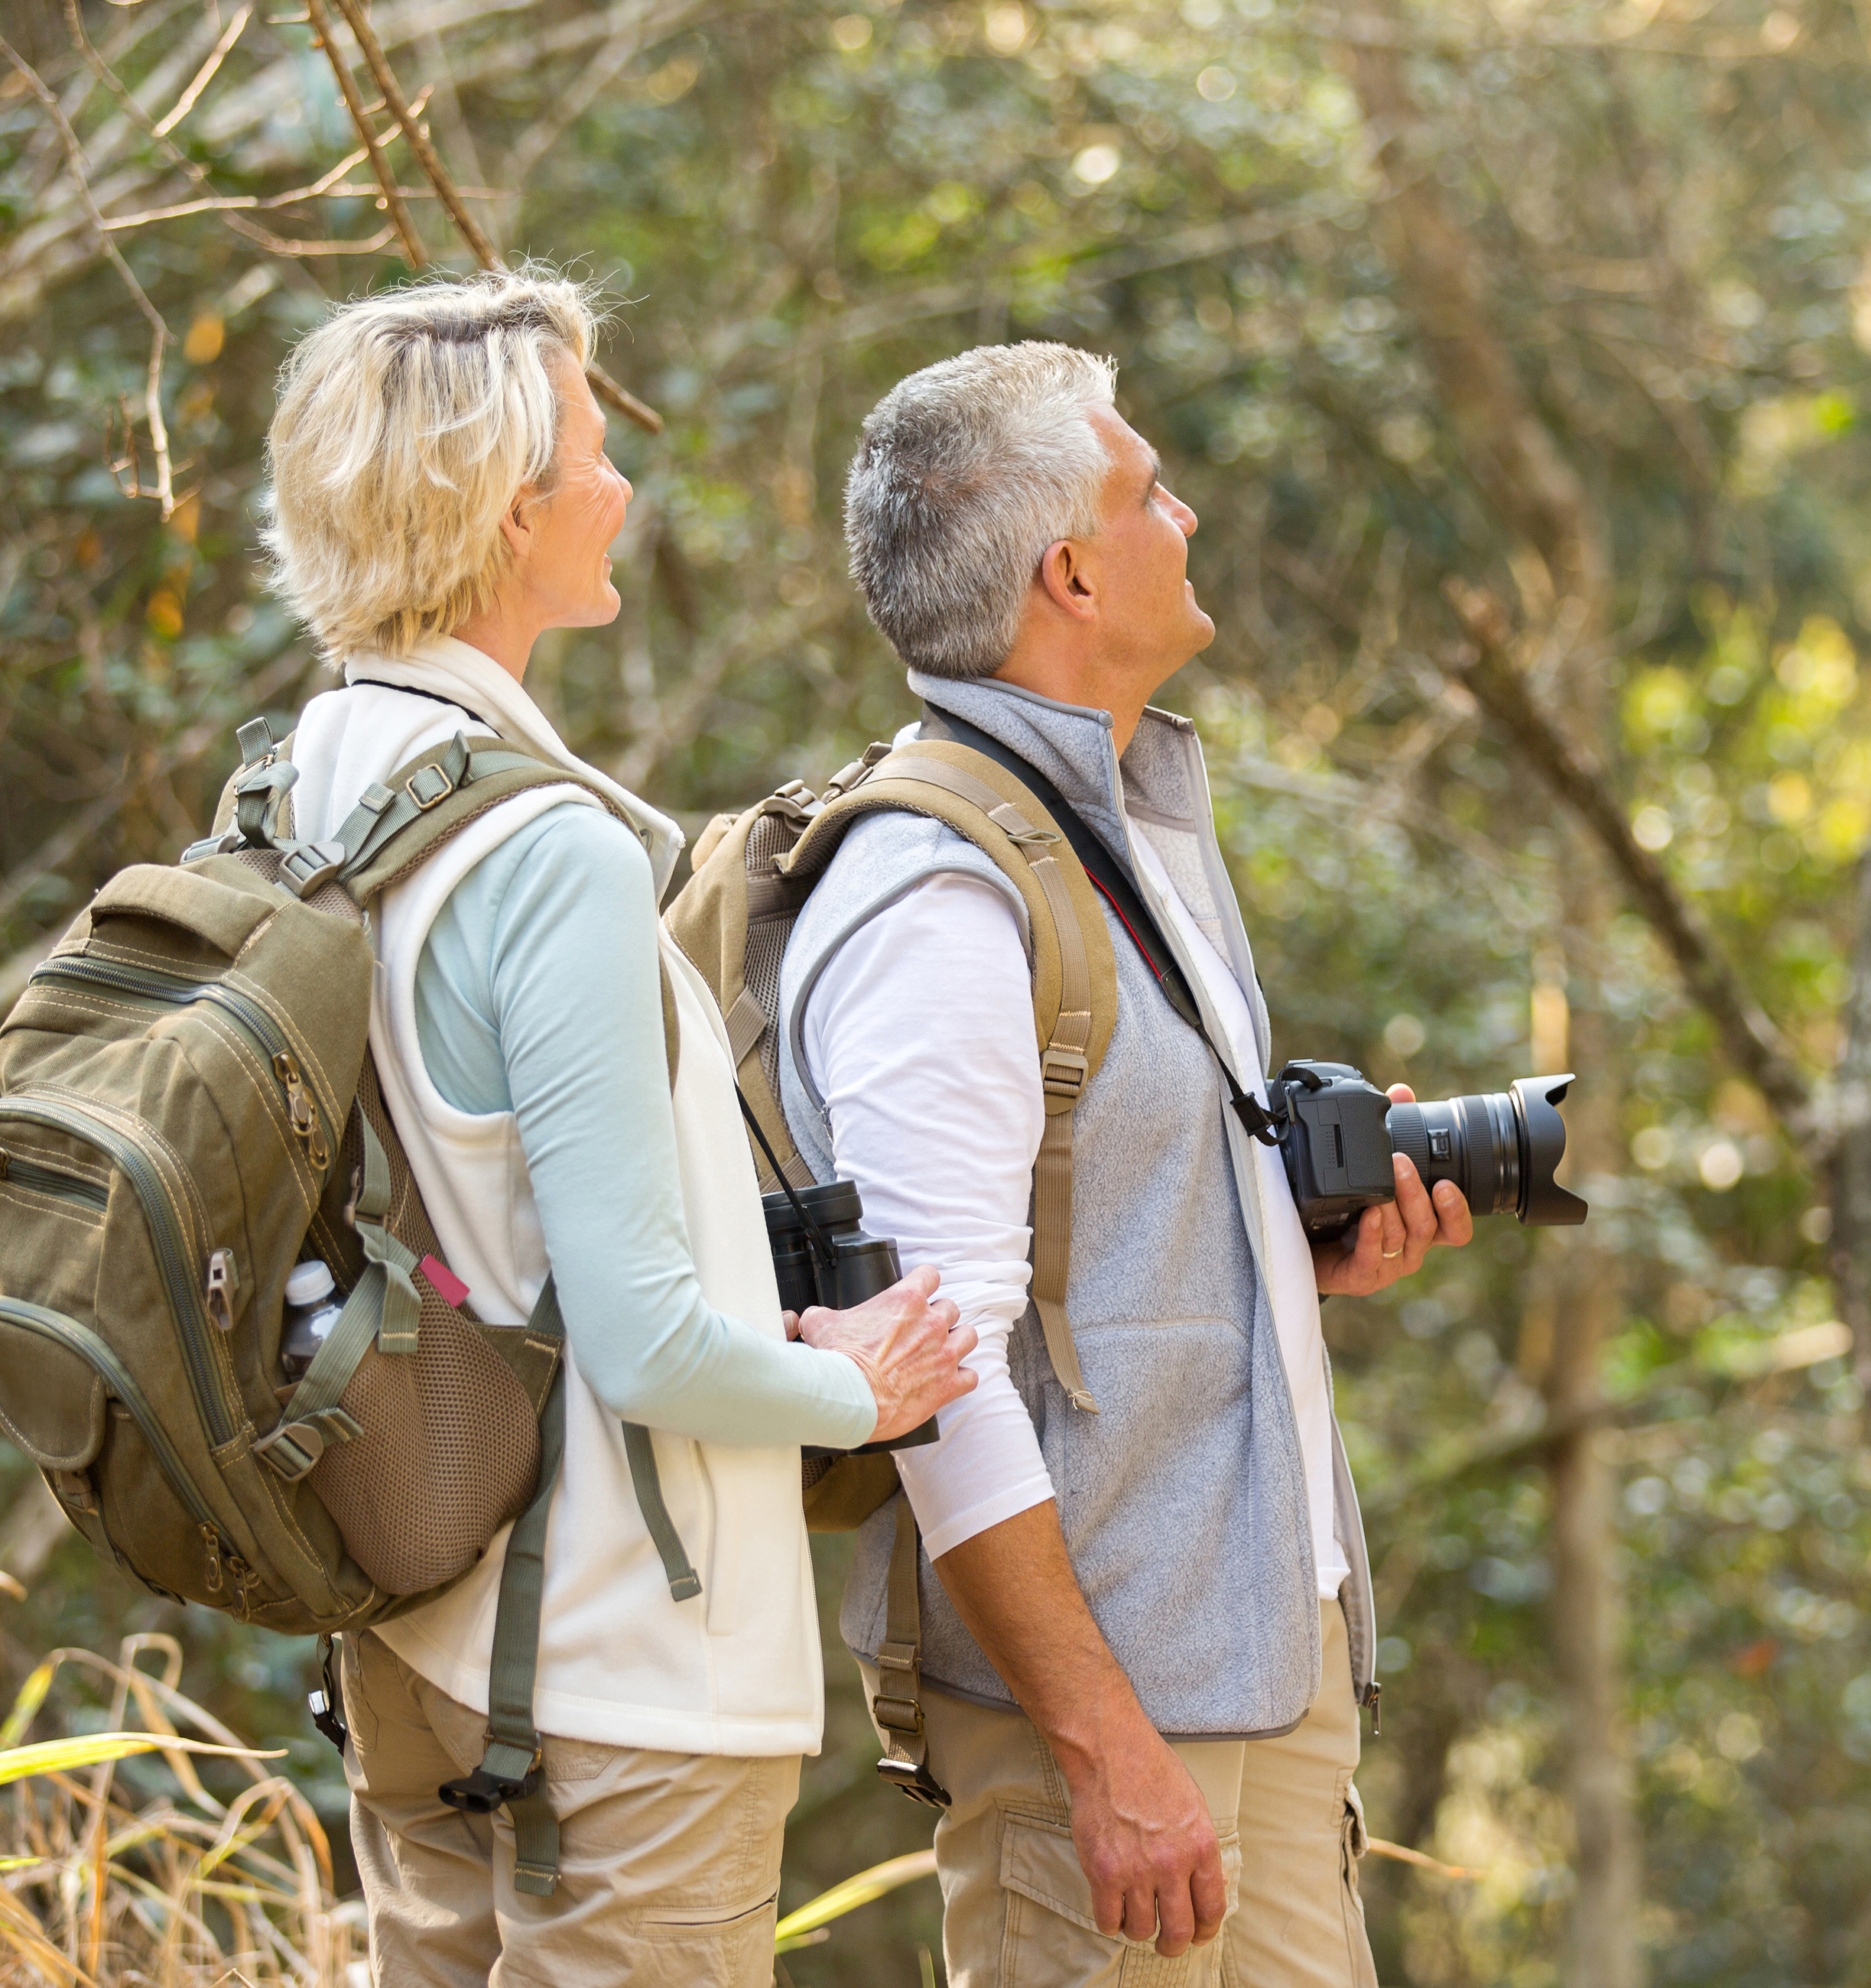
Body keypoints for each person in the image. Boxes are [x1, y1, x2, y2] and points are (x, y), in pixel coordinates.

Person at [257, 267, 977, 1986]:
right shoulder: (542, 854)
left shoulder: (307, 781)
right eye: (590, 454)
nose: (621, 488)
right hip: (621, 1684)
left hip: (410, 1640)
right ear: (511, 515)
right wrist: (858, 1390)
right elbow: (646, 1342)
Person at [775, 342, 1473, 1987]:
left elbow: (1103, 1235)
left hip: (1268, 1667)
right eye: (1150, 490)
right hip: (1101, 1717)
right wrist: (1098, 1747)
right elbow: (936, 1373)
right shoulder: (939, 896)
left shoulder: (1125, 822)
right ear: (1071, 571)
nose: (1191, 512)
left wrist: (1294, 1257)